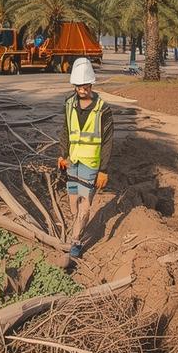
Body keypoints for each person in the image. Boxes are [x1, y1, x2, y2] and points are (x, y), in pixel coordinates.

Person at [57, 58, 113, 271]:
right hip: (72, 161)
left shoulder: (102, 109)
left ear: (91, 84)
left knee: (85, 203)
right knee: (74, 203)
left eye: (85, 85)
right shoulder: (69, 104)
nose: (82, 89)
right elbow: (65, 130)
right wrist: (62, 154)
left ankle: (76, 241)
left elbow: (108, 140)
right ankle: (76, 228)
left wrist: (104, 169)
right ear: (74, 85)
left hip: (91, 164)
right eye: (78, 86)